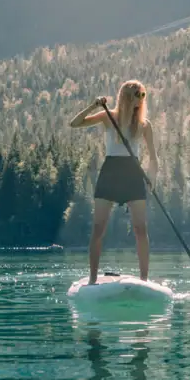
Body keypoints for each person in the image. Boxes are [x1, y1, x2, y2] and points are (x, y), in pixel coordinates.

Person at [69, 80, 158, 284]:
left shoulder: (144, 125)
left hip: (133, 174)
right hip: (110, 173)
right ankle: (92, 280)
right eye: (138, 94)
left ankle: (144, 279)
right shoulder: (108, 117)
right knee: (98, 228)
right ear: (127, 96)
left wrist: (152, 178)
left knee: (140, 229)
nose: (141, 98)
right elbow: (74, 123)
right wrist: (94, 105)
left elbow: (153, 157)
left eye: (143, 94)